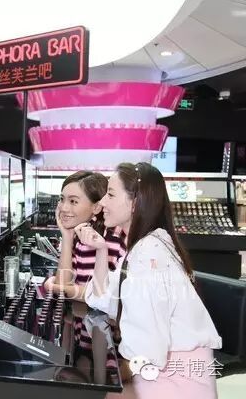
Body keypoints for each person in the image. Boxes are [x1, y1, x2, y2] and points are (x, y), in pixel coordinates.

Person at [79, 162, 222, 398]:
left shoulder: (149, 255)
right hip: (164, 370)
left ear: (135, 203)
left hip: (174, 379)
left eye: (111, 194)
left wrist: (113, 373)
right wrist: (101, 250)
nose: (102, 202)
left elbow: (149, 350)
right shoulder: (145, 246)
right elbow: (101, 298)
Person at [43, 171, 126, 365]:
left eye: (73, 201)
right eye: (62, 199)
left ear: (96, 207)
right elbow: (65, 282)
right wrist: (67, 237)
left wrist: (55, 287)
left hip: (110, 347)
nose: (64, 208)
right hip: (90, 332)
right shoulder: (82, 235)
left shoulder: (107, 239)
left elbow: (97, 296)